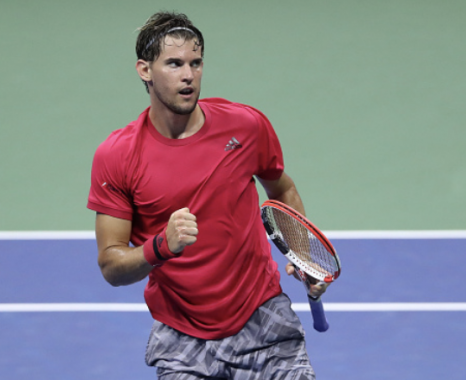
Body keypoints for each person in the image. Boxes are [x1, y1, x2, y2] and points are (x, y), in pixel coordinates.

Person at [87, 11, 328, 380]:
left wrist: (302, 252)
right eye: (174, 64)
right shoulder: (117, 155)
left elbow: (282, 188)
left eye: (195, 63)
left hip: (261, 317)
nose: (188, 75)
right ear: (144, 70)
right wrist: (161, 246)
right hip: (182, 336)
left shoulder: (245, 126)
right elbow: (111, 266)